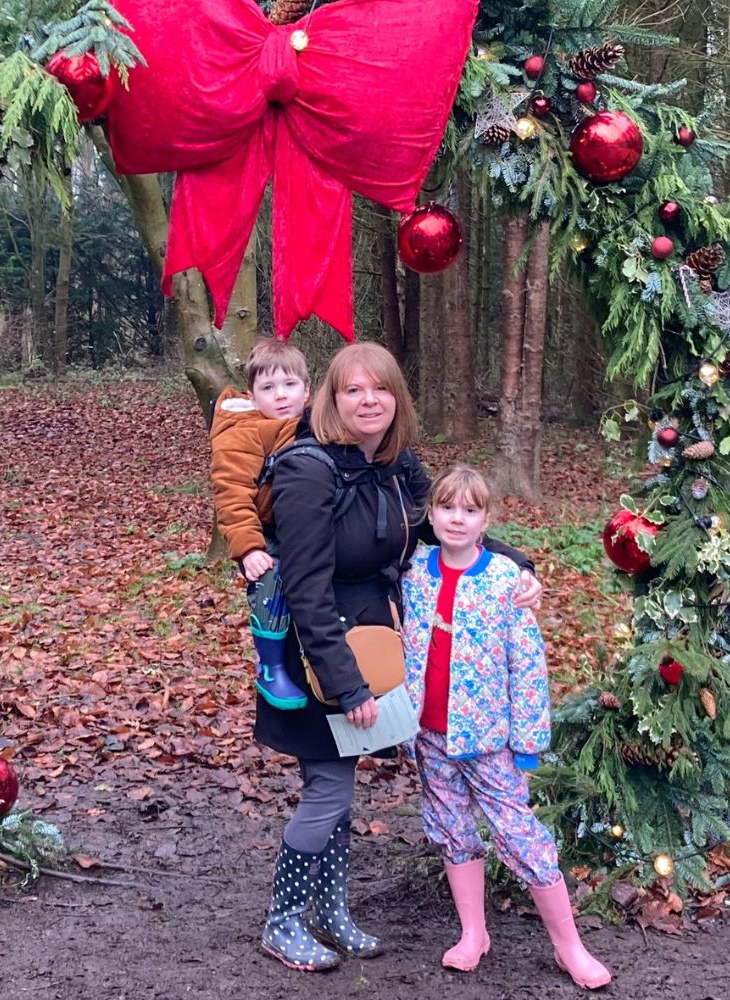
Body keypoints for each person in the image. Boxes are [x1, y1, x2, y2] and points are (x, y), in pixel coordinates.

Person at [257, 342, 543, 972]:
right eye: (353, 390)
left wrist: (516, 565)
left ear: (396, 398)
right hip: (320, 649)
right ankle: (284, 919)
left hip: (379, 644)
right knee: (327, 791)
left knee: (340, 787)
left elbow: (438, 527)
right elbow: (304, 585)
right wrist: (347, 683)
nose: (368, 401)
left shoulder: (393, 463)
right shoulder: (307, 469)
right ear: (331, 398)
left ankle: (329, 911)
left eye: (380, 389)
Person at [400, 465, 611, 990]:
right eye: (447, 508)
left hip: (489, 739)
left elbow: (528, 665)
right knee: (453, 830)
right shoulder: (413, 572)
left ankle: (570, 946)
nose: (457, 518)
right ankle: (473, 933)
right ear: (431, 514)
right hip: (429, 735)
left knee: (522, 835)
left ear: (486, 519)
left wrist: (529, 742)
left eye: (470, 510)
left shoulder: (505, 581)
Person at [210, 339, 311, 710]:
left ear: (307, 390)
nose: (281, 396)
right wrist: (249, 547)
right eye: (268, 388)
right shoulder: (242, 431)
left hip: (306, 527)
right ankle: (271, 664)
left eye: (289, 385)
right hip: (266, 533)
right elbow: (232, 492)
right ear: (252, 397)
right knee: (270, 579)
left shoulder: (316, 422)